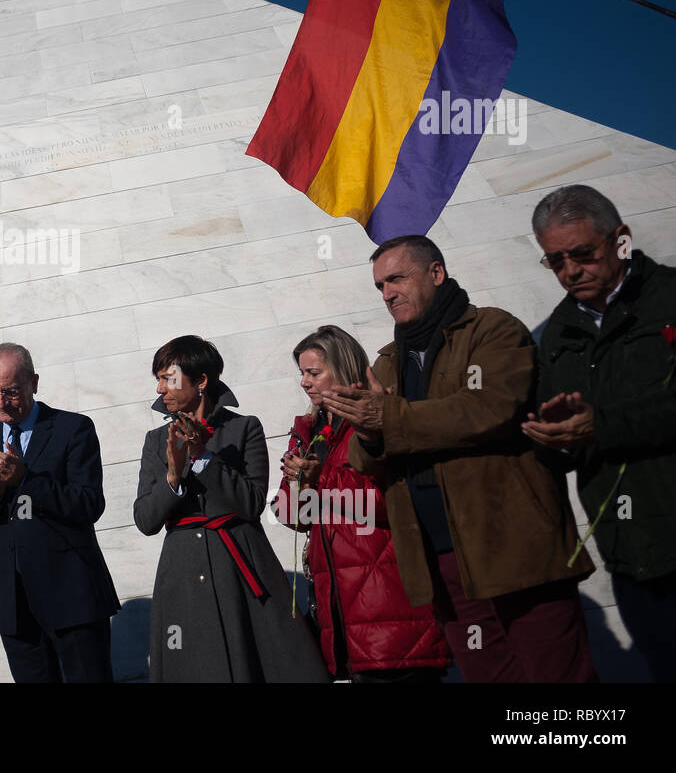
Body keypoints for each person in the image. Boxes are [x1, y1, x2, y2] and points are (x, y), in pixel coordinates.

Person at [326, 235, 596, 682]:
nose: (388, 293)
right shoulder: (387, 361)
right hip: (439, 560)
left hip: (513, 543)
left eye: (397, 279)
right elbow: (363, 456)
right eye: (380, 286)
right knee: (489, 676)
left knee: (558, 676)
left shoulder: (492, 329)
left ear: (437, 273)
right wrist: (371, 433)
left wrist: (388, 417)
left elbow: (488, 410)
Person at [523, 184, 676, 681]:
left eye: (582, 254)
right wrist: (554, 437)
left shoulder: (669, 298)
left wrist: (600, 425)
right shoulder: (556, 333)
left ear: (621, 240)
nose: (570, 271)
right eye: (555, 261)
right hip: (631, 558)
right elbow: (564, 452)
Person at [133, 335, 327, 682]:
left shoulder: (244, 428)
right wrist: (173, 476)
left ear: (201, 381)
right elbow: (146, 520)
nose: (160, 389)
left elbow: (251, 503)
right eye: (158, 380)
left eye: (168, 378)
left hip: (241, 565)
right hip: (181, 572)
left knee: (260, 662)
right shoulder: (155, 441)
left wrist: (202, 457)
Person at [272, 326, 450, 682]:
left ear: (342, 369)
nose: (304, 383)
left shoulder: (374, 423)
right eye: (302, 374)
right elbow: (294, 517)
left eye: (314, 372)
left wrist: (321, 478)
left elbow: (393, 502)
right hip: (338, 605)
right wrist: (296, 483)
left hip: (386, 597)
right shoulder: (309, 431)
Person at [0, 343, 120, 683]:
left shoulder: (72, 428)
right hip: (15, 604)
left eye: (11, 392)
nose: (1, 403)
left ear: (34, 383)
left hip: (73, 595)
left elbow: (89, 504)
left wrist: (25, 480)